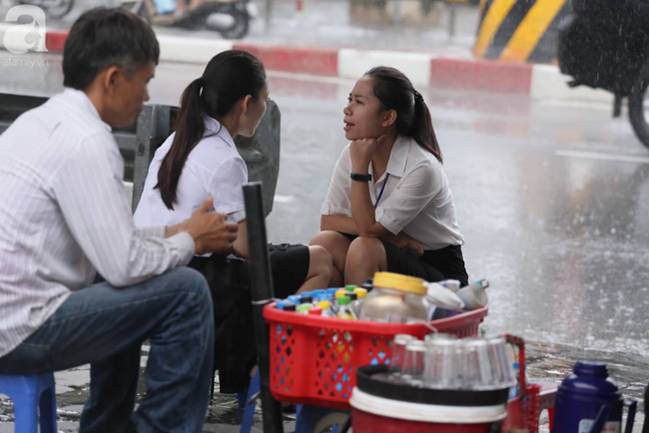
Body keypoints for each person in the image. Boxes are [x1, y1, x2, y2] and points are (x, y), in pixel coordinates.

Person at [0, 8, 238, 433]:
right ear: (112, 79)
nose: (147, 96)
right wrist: (190, 244)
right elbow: (123, 264)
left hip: (13, 316)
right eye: (144, 81)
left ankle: (105, 427)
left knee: (123, 281)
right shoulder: (89, 141)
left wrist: (179, 232)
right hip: (20, 329)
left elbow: (109, 240)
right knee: (186, 290)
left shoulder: (38, 122)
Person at [133, 49, 333, 392]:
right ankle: (270, 365)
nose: (266, 107)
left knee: (300, 255)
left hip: (152, 267)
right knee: (321, 262)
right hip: (196, 278)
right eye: (265, 99)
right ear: (245, 104)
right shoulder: (226, 159)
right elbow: (246, 247)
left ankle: (262, 362)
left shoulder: (178, 140)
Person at [310, 66, 468, 287]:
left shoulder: (421, 167)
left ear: (387, 118)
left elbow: (368, 230)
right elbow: (328, 221)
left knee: (364, 248)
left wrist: (360, 169)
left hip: (437, 270)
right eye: (349, 99)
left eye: (359, 102)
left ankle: (358, 320)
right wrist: (397, 240)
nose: (347, 109)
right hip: (394, 249)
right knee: (324, 244)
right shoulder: (353, 152)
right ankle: (327, 318)